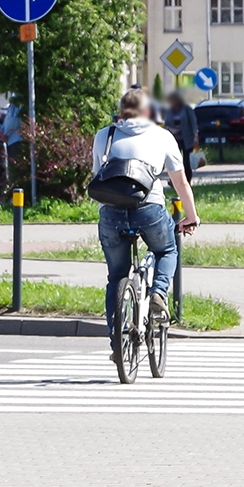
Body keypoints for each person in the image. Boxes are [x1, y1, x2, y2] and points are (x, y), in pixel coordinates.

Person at [93, 88, 199, 357]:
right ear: (148, 110)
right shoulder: (162, 136)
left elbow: (98, 175)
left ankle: (117, 343)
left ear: (121, 110)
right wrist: (191, 216)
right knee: (167, 250)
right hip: (148, 209)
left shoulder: (105, 135)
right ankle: (158, 294)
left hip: (111, 212)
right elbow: (180, 181)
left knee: (116, 277)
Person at [164, 92, 199, 182]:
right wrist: (170, 129)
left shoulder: (187, 109)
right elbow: (166, 124)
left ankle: (187, 181)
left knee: (186, 162)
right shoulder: (169, 110)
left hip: (187, 139)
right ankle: (175, 181)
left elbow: (193, 123)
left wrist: (195, 137)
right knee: (174, 161)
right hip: (175, 139)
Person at [1, 98, 23, 163]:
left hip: (16, 140)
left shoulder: (18, 99)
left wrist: (6, 134)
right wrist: (2, 130)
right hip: (10, 141)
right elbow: (8, 118)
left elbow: (15, 120)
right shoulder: (14, 100)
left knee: (17, 166)